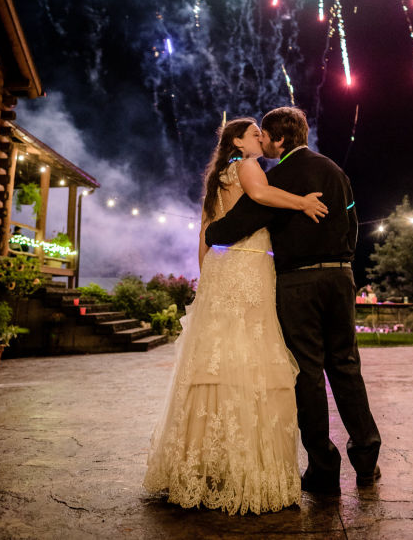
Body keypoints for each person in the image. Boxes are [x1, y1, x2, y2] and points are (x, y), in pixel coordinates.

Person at [143, 117, 327, 514]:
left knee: (215, 358)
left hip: (221, 268)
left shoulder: (218, 177)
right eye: (254, 134)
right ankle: (243, 466)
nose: (261, 139)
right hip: (247, 265)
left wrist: (204, 275)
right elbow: (261, 197)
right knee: (250, 352)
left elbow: (205, 231)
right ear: (238, 142)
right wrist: (303, 202)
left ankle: (204, 464)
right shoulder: (247, 165)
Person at [205, 106, 381, 494]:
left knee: (308, 373)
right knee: (347, 366)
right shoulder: (334, 170)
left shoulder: (277, 178)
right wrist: (343, 261)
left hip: (298, 283)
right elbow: (352, 221)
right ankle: (367, 459)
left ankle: (323, 469)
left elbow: (236, 225)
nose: (262, 141)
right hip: (340, 277)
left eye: (265, 135)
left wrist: (209, 229)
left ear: (280, 139)